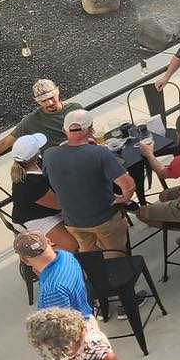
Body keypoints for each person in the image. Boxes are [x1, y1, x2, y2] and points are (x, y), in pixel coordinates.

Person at [42, 110, 135, 257]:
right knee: (115, 255)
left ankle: (96, 271)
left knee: (90, 256)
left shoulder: (49, 154)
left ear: (64, 130)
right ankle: (118, 270)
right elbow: (128, 185)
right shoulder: (99, 153)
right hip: (104, 219)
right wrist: (124, 198)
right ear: (91, 129)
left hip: (73, 222)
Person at [0, 79, 87, 178]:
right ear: (37, 101)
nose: (49, 103)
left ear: (58, 90)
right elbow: (4, 144)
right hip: (61, 168)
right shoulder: (31, 121)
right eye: (43, 100)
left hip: (83, 158)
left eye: (51, 97)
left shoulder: (75, 108)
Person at [9, 134, 79, 252]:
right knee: (72, 245)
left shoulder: (36, 164)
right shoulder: (31, 183)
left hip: (43, 210)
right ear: (36, 154)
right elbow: (59, 204)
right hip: (34, 219)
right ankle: (37, 255)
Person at [13, 232, 90, 316]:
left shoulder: (52, 291)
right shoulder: (66, 255)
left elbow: (61, 322)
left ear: (25, 260)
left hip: (80, 321)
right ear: (49, 241)